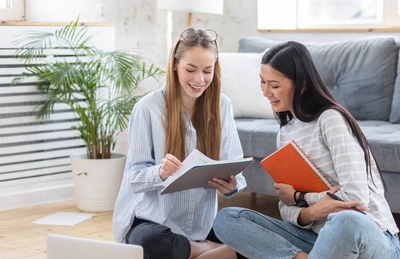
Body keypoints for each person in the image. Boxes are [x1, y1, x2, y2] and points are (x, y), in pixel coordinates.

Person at [213, 41, 400, 259]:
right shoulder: (285, 133)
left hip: (370, 237)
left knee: (345, 220)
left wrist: (301, 197)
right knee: (228, 219)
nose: (265, 92)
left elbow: (356, 199)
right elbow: (285, 208)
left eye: (274, 85)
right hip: (315, 241)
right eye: (262, 82)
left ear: (301, 85)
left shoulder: (330, 119)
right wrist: (312, 212)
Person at [112, 27, 247, 259]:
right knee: (150, 242)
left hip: (201, 225)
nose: (199, 80)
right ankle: (205, 251)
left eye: (207, 71)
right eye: (190, 70)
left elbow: (237, 167)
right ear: (175, 65)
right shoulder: (148, 108)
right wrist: (160, 173)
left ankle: (192, 251)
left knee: (253, 236)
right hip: (152, 220)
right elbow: (133, 177)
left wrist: (231, 185)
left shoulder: (222, 106)